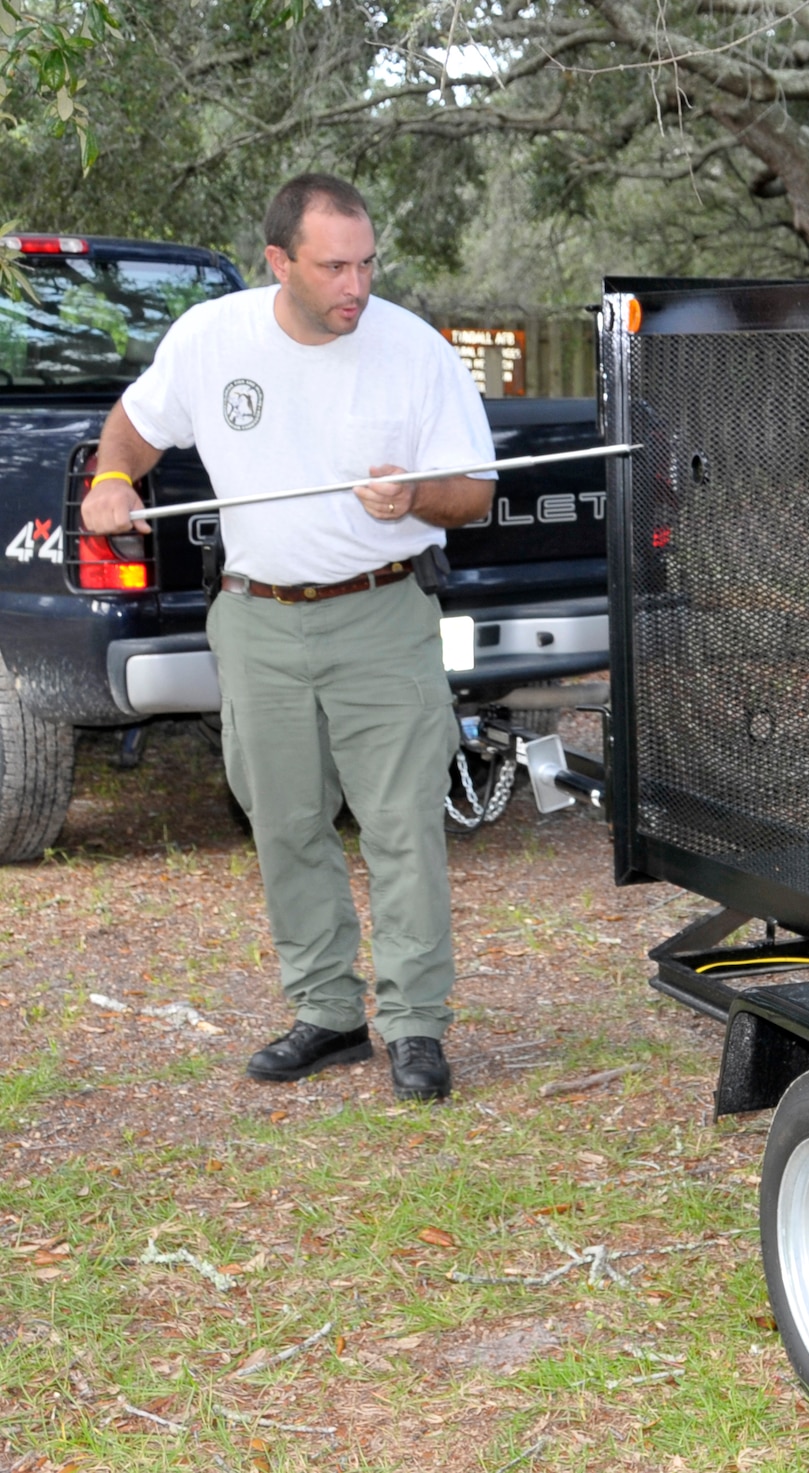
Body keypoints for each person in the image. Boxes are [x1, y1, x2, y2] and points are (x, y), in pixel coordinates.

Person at [80, 173, 496, 1102]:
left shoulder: (415, 350)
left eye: (368, 262)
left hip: (382, 613)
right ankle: (329, 1015)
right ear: (280, 262)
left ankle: (417, 1025)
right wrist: (111, 480)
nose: (357, 284)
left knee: (401, 826)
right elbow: (135, 430)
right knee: (285, 822)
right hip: (255, 618)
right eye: (335, 266)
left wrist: (416, 495)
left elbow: (475, 493)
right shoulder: (211, 338)